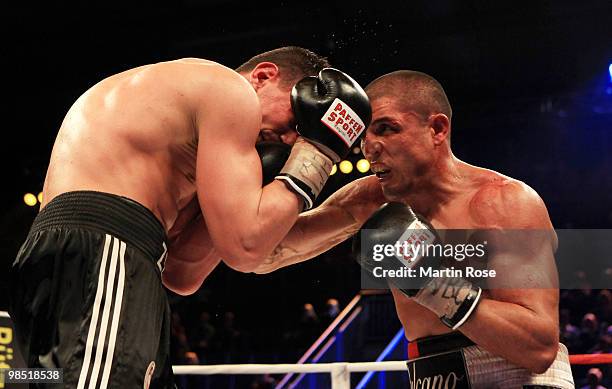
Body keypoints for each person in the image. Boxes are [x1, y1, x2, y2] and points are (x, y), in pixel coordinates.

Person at [9, 46, 371, 388]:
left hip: (86, 258)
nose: (290, 139)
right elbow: (245, 247)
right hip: (105, 255)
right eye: (296, 119)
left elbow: (182, 273)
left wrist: (259, 186)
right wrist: (319, 152)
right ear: (264, 76)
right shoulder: (229, 90)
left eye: (301, 135)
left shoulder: (175, 118)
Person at [254, 70, 575, 387]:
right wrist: (310, 160)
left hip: (520, 379)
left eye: (386, 129)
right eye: (364, 134)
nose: (370, 147)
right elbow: (263, 253)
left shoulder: (505, 202)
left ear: (437, 128)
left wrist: (433, 283)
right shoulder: (369, 198)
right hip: (431, 375)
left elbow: (539, 348)